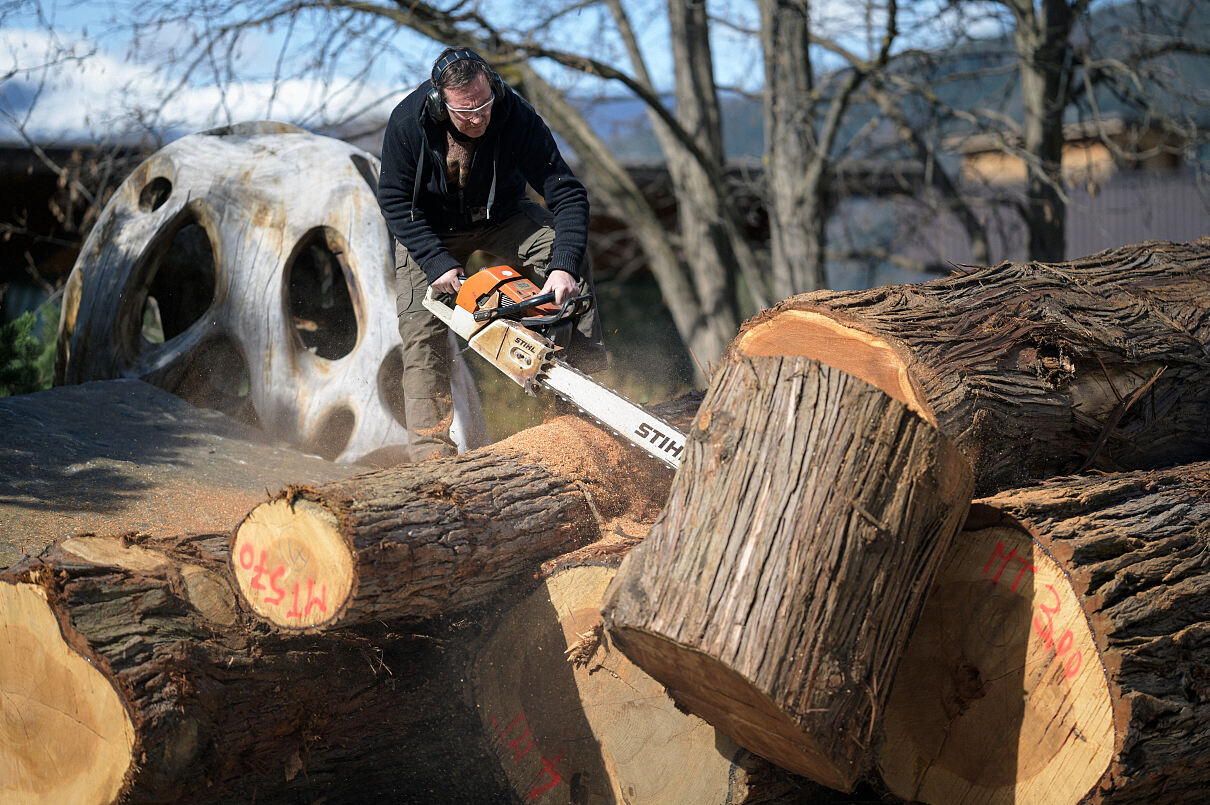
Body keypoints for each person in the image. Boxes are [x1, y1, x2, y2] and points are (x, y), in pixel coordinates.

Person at [377, 47, 606, 462]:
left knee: (568, 255)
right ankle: (432, 459)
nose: (479, 117)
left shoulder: (515, 115)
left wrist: (563, 267)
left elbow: (568, 193)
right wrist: (434, 260)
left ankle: (587, 401)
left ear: (493, 87)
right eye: (466, 112)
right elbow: (394, 202)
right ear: (439, 102)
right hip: (430, 231)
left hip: (502, 216)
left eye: (484, 104)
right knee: (421, 338)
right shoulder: (408, 122)